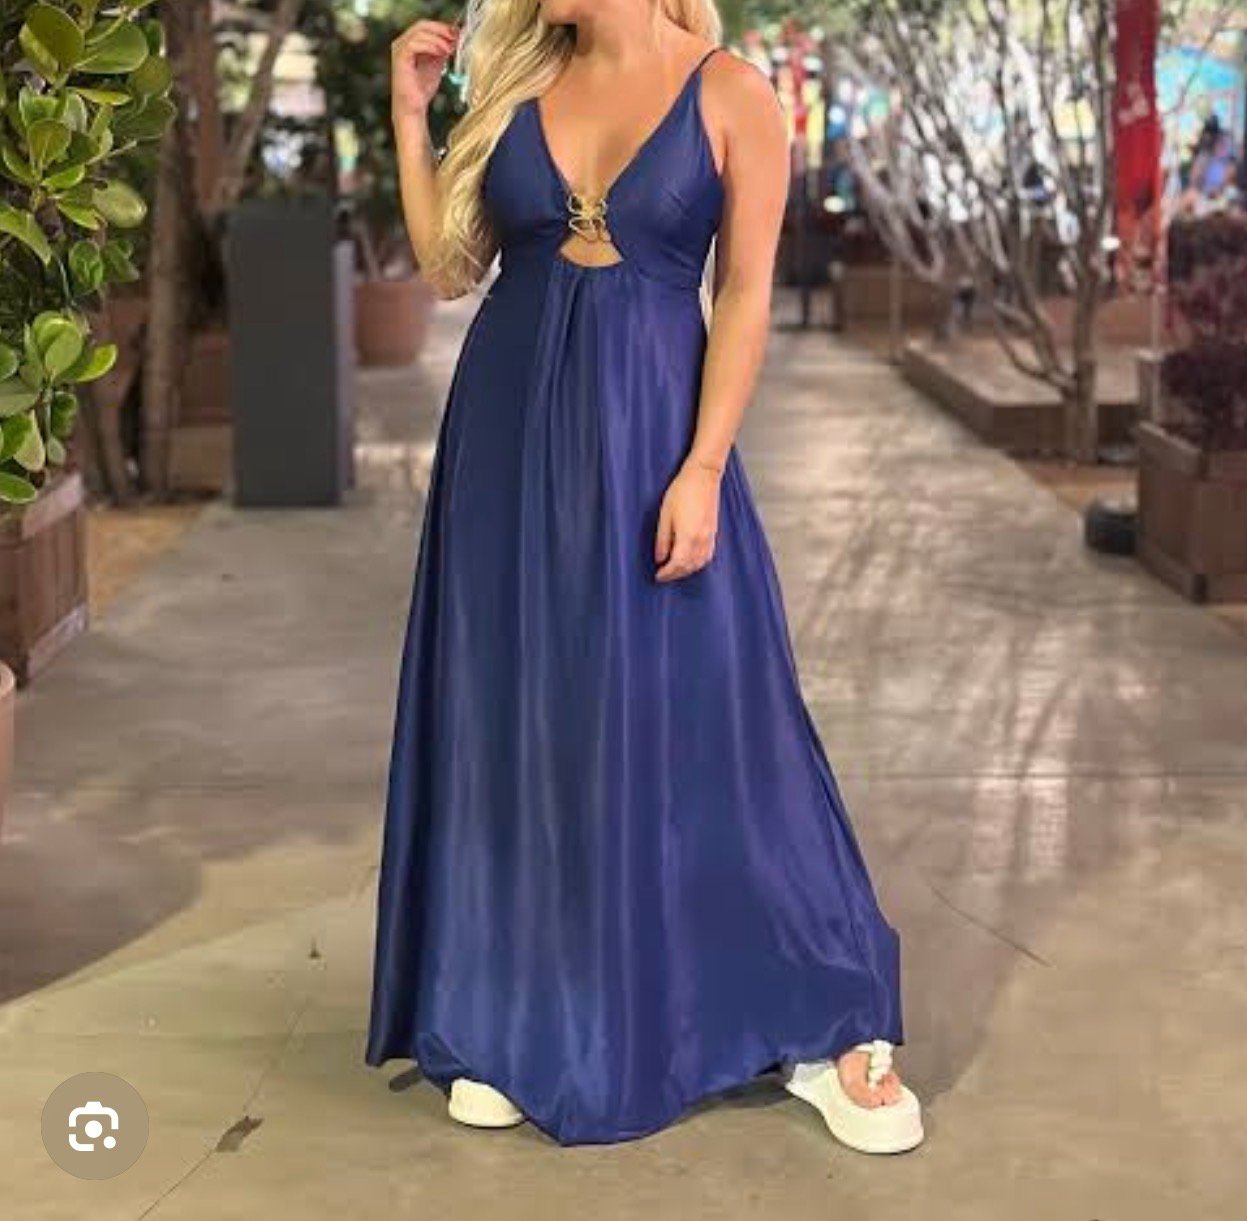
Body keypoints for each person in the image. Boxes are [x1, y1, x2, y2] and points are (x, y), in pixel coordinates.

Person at [366, 0, 925, 1154]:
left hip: (654, 432)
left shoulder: (731, 94)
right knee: (522, 712)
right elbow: (450, 268)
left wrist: (703, 465)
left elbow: (746, 292)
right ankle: (512, 1008)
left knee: (715, 706)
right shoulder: (519, 81)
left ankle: (817, 1008)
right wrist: (411, 120)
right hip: (506, 438)